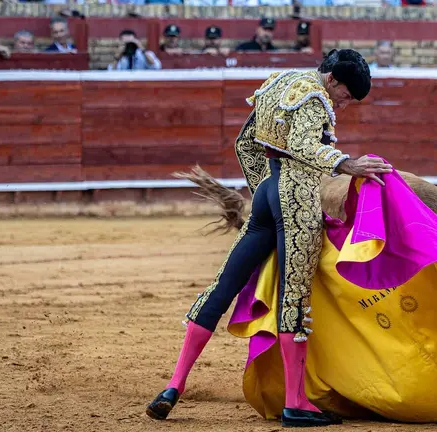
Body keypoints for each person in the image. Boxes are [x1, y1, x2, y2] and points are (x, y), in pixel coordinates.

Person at [145, 49, 392, 427]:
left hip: (266, 194)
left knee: (222, 286)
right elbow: (306, 147)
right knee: (294, 297)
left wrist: (266, 188)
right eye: (346, 96)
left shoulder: (279, 83)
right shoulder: (315, 95)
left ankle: (173, 386)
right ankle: (296, 403)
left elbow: (245, 143)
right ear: (334, 80)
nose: (343, 105)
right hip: (296, 196)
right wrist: (348, 165)